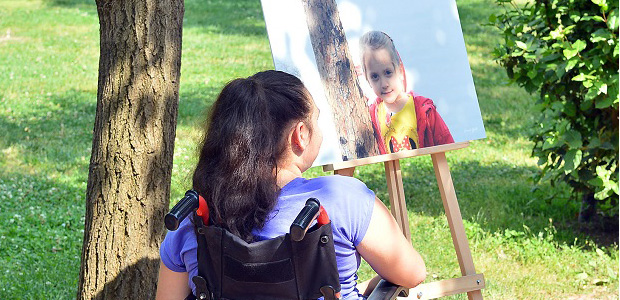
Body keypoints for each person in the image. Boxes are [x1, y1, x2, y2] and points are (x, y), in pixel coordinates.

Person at [155, 70, 426, 300]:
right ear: (300, 135)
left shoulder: (193, 219)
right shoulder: (342, 198)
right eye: (316, 120)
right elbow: (412, 274)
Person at [359, 31, 454, 154]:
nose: (384, 84)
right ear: (367, 79)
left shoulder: (424, 110)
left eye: (388, 72)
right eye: (375, 76)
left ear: (399, 70)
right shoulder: (371, 117)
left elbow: (448, 146)